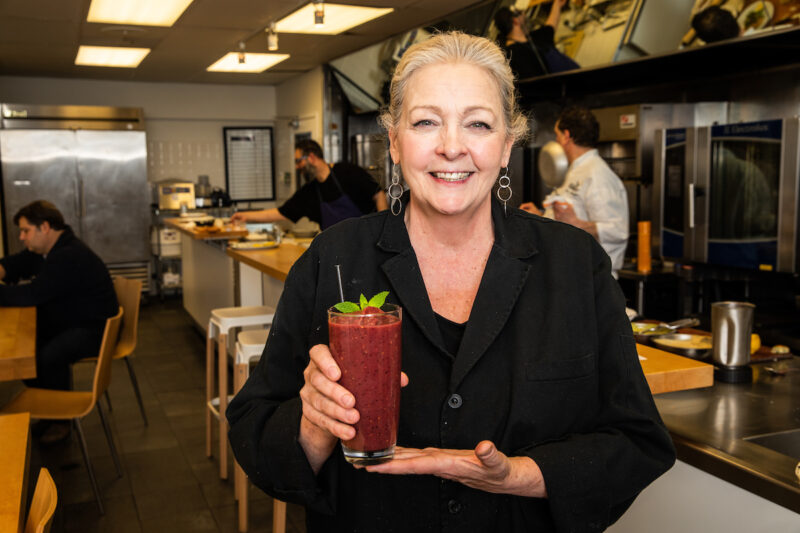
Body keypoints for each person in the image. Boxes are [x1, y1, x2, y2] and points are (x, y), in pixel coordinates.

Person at [227, 32, 674, 532]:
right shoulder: (331, 259)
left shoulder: (574, 264)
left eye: (477, 124)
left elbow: (638, 441)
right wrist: (314, 425)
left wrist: (521, 475)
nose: (452, 147)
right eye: (426, 122)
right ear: (394, 142)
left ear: (506, 146)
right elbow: (254, 437)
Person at [0, 201, 118, 440]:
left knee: (44, 357)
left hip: (95, 330)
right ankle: (52, 411)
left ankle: (61, 421)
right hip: (77, 318)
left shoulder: (67, 256)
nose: (22, 237)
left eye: (25, 231)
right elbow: (20, 262)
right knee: (32, 348)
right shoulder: (52, 249)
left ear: (44, 227)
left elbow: (32, 294)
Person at [521, 106, 629, 277]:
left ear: (566, 136)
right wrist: (542, 218)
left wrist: (578, 224)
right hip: (572, 275)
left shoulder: (598, 174)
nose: (556, 141)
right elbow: (570, 220)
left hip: (593, 280)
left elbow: (618, 230)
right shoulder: (576, 172)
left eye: (557, 135)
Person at [230, 139, 388, 230]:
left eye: (299, 161)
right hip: (335, 252)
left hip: (366, 245)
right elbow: (281, 212)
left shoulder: (347, 171)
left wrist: (384, 228)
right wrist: (245, 216)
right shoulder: (310, 191)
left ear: (311, 157)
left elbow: (378, 194)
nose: (297, 166)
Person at [493, 0, 579, 81]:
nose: (524, 15)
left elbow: (550, 25)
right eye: (521, 13)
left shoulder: (532, 38)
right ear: (515, 21)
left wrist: (557, 4)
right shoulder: (514, 55)